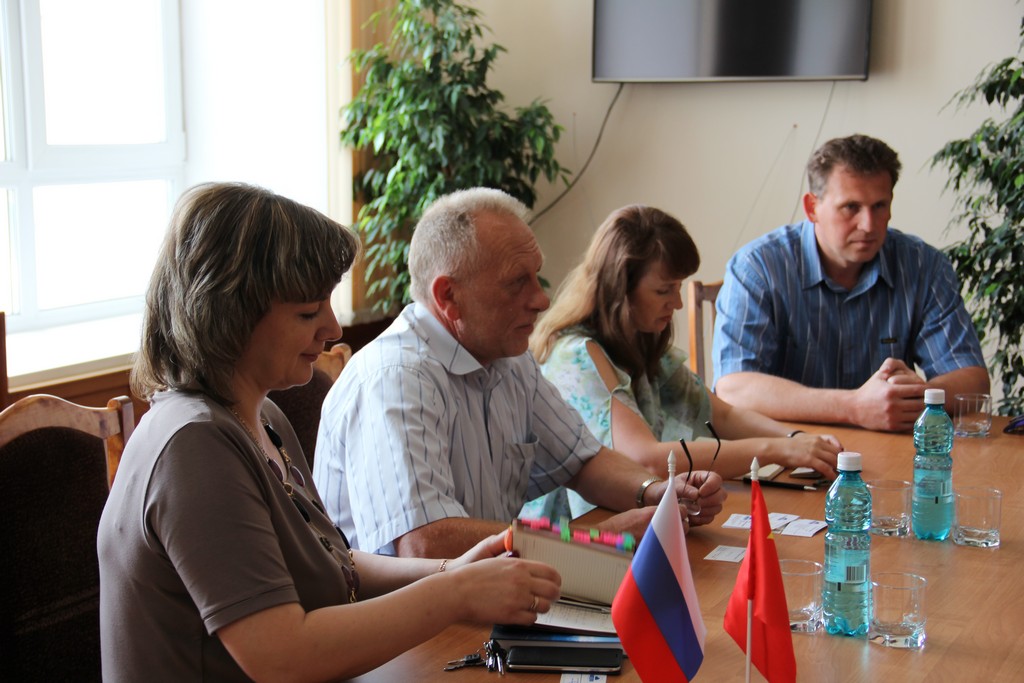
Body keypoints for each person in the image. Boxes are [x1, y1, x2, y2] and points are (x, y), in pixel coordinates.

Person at [97, 183, 561, 682]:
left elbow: (334, 561)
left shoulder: (263, 417)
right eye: (307, 312)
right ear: (229, 314)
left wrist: (453, 571)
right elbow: (283, 657)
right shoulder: (193, 447)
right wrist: (457, 594)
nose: (333, 328)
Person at [313, 188, 726, 559]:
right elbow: (425, 546)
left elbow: (583, 460)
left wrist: (657, 492)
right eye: (517, 282)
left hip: (488, 592)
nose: (542, 300)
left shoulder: (507, 358)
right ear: (448, 296)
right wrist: (592, 540)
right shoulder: (396, 380)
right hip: (412, 616)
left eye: (537, 276)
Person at [525, 205, 842, 519]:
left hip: (632, 520)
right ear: (619, 288)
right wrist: (779, 450)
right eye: (664, 290)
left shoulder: (640, 336)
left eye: (678, 287)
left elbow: (724, 415)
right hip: (576, 533)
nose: (677, 303)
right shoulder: (576, 355)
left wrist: (796, 439)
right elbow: (646, 460)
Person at [713, 134, 989, 432]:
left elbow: (971, 380)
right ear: (812, 207)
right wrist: (854, 407)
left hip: (891, 450)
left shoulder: (924, 265)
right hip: (789, 447)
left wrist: (914, 397)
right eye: (851, 207)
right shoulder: (758, 268)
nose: (868, 225)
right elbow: (734, 388)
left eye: (879, 206)